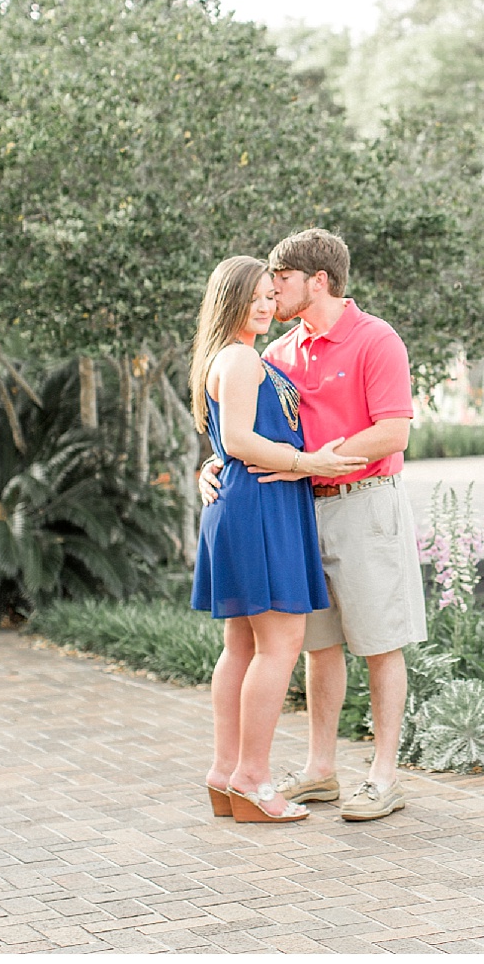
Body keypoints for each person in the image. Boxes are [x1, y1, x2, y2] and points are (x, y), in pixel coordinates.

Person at [199, 228, 426, 822]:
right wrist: (214, 463)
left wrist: (316, 460)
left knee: (379, 642)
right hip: (296, 510)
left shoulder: (377, 340)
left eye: (281, 279)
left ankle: (381, 776)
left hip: (362, 500)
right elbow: (244, 424)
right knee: (315, 646)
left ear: (316, 281)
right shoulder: (274, 352)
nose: (271, 291)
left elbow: (393, 432)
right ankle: (320, 771)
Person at [189, 255, 368, 824]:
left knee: (241, 647)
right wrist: (307, 461)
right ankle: (252, 779)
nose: (267, 304)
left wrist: (213, 465)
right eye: (257, 296)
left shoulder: (231, 355)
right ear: (231, 299)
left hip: (245, 503)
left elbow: (227, 443)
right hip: (261, 505)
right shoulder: (241, 357)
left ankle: (226, 774)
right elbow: (240, 440)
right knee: (278, 646)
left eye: (272, 294)